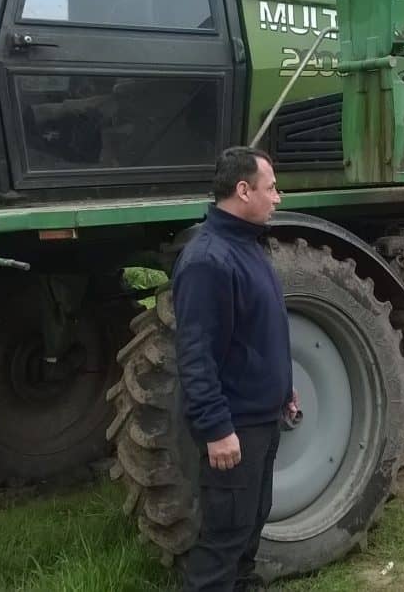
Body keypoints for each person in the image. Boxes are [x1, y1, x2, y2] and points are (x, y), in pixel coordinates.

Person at [172, 146, 299, 592]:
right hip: (235, 428)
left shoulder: (248, 246)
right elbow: (196, 353)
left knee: (250, 525)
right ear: (243, 190)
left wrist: (284, 390)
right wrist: (215, 428)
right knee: (224, 538)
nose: (278, 198)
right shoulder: (209, 260)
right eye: (271, 188)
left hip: (262, 419)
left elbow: (258, 334)